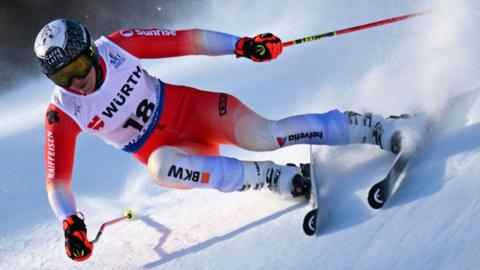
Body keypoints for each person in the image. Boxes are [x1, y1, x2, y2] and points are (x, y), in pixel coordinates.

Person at [35, 19, 412, 262]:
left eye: (78, 68)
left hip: (194, 111)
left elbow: (188, 41)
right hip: (176, 153)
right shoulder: (63, 111)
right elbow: (57, 179)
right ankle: (273, 178)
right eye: (62, 77)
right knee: (160, 168)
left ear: (90, 53)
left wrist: (243, 45)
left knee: (267, 135)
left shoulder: (118, 46)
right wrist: (71, 223)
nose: (75, 83)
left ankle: (373, 127)